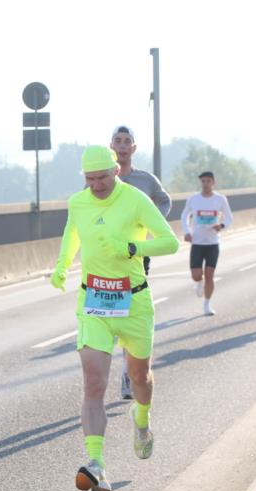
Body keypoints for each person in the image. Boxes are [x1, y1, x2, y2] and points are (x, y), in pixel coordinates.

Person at [49, 146, 179, 491]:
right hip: (93, 301)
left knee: (140, 376)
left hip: (134, 301)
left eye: (102, 178)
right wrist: (62, 266)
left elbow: (170, 243)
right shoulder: (78, 202)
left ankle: (142, 420)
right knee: (93, 382)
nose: (96, 186)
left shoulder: (135, 199)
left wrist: (134, 248)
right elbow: (72, 233)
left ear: (115, 171)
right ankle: (96, 464)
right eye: (89, 179)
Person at [110, 126, 171, 399]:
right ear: (111, 145)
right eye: (118, 141)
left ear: (134, 148)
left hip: (136, 255)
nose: (122, 146)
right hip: (105, 259)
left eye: (127, 142)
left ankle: (127, 372)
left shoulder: (146, 181)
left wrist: (150, 225)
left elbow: (165, 201)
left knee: (128, 311)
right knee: (110, 314)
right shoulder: (99, 178)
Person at [180, 171, 233, 316]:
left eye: (208, 181)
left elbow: (229, 217)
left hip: (212, 243)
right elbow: (184, 215)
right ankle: (199, 282)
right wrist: (186, 232)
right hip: (197, 242)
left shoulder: (220, 199)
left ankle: (207, 304)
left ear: (213, 183)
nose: (205, 184)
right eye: (203, 181)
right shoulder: (193, 199)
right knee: (197, 275)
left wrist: (221, 226)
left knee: (210, 274)